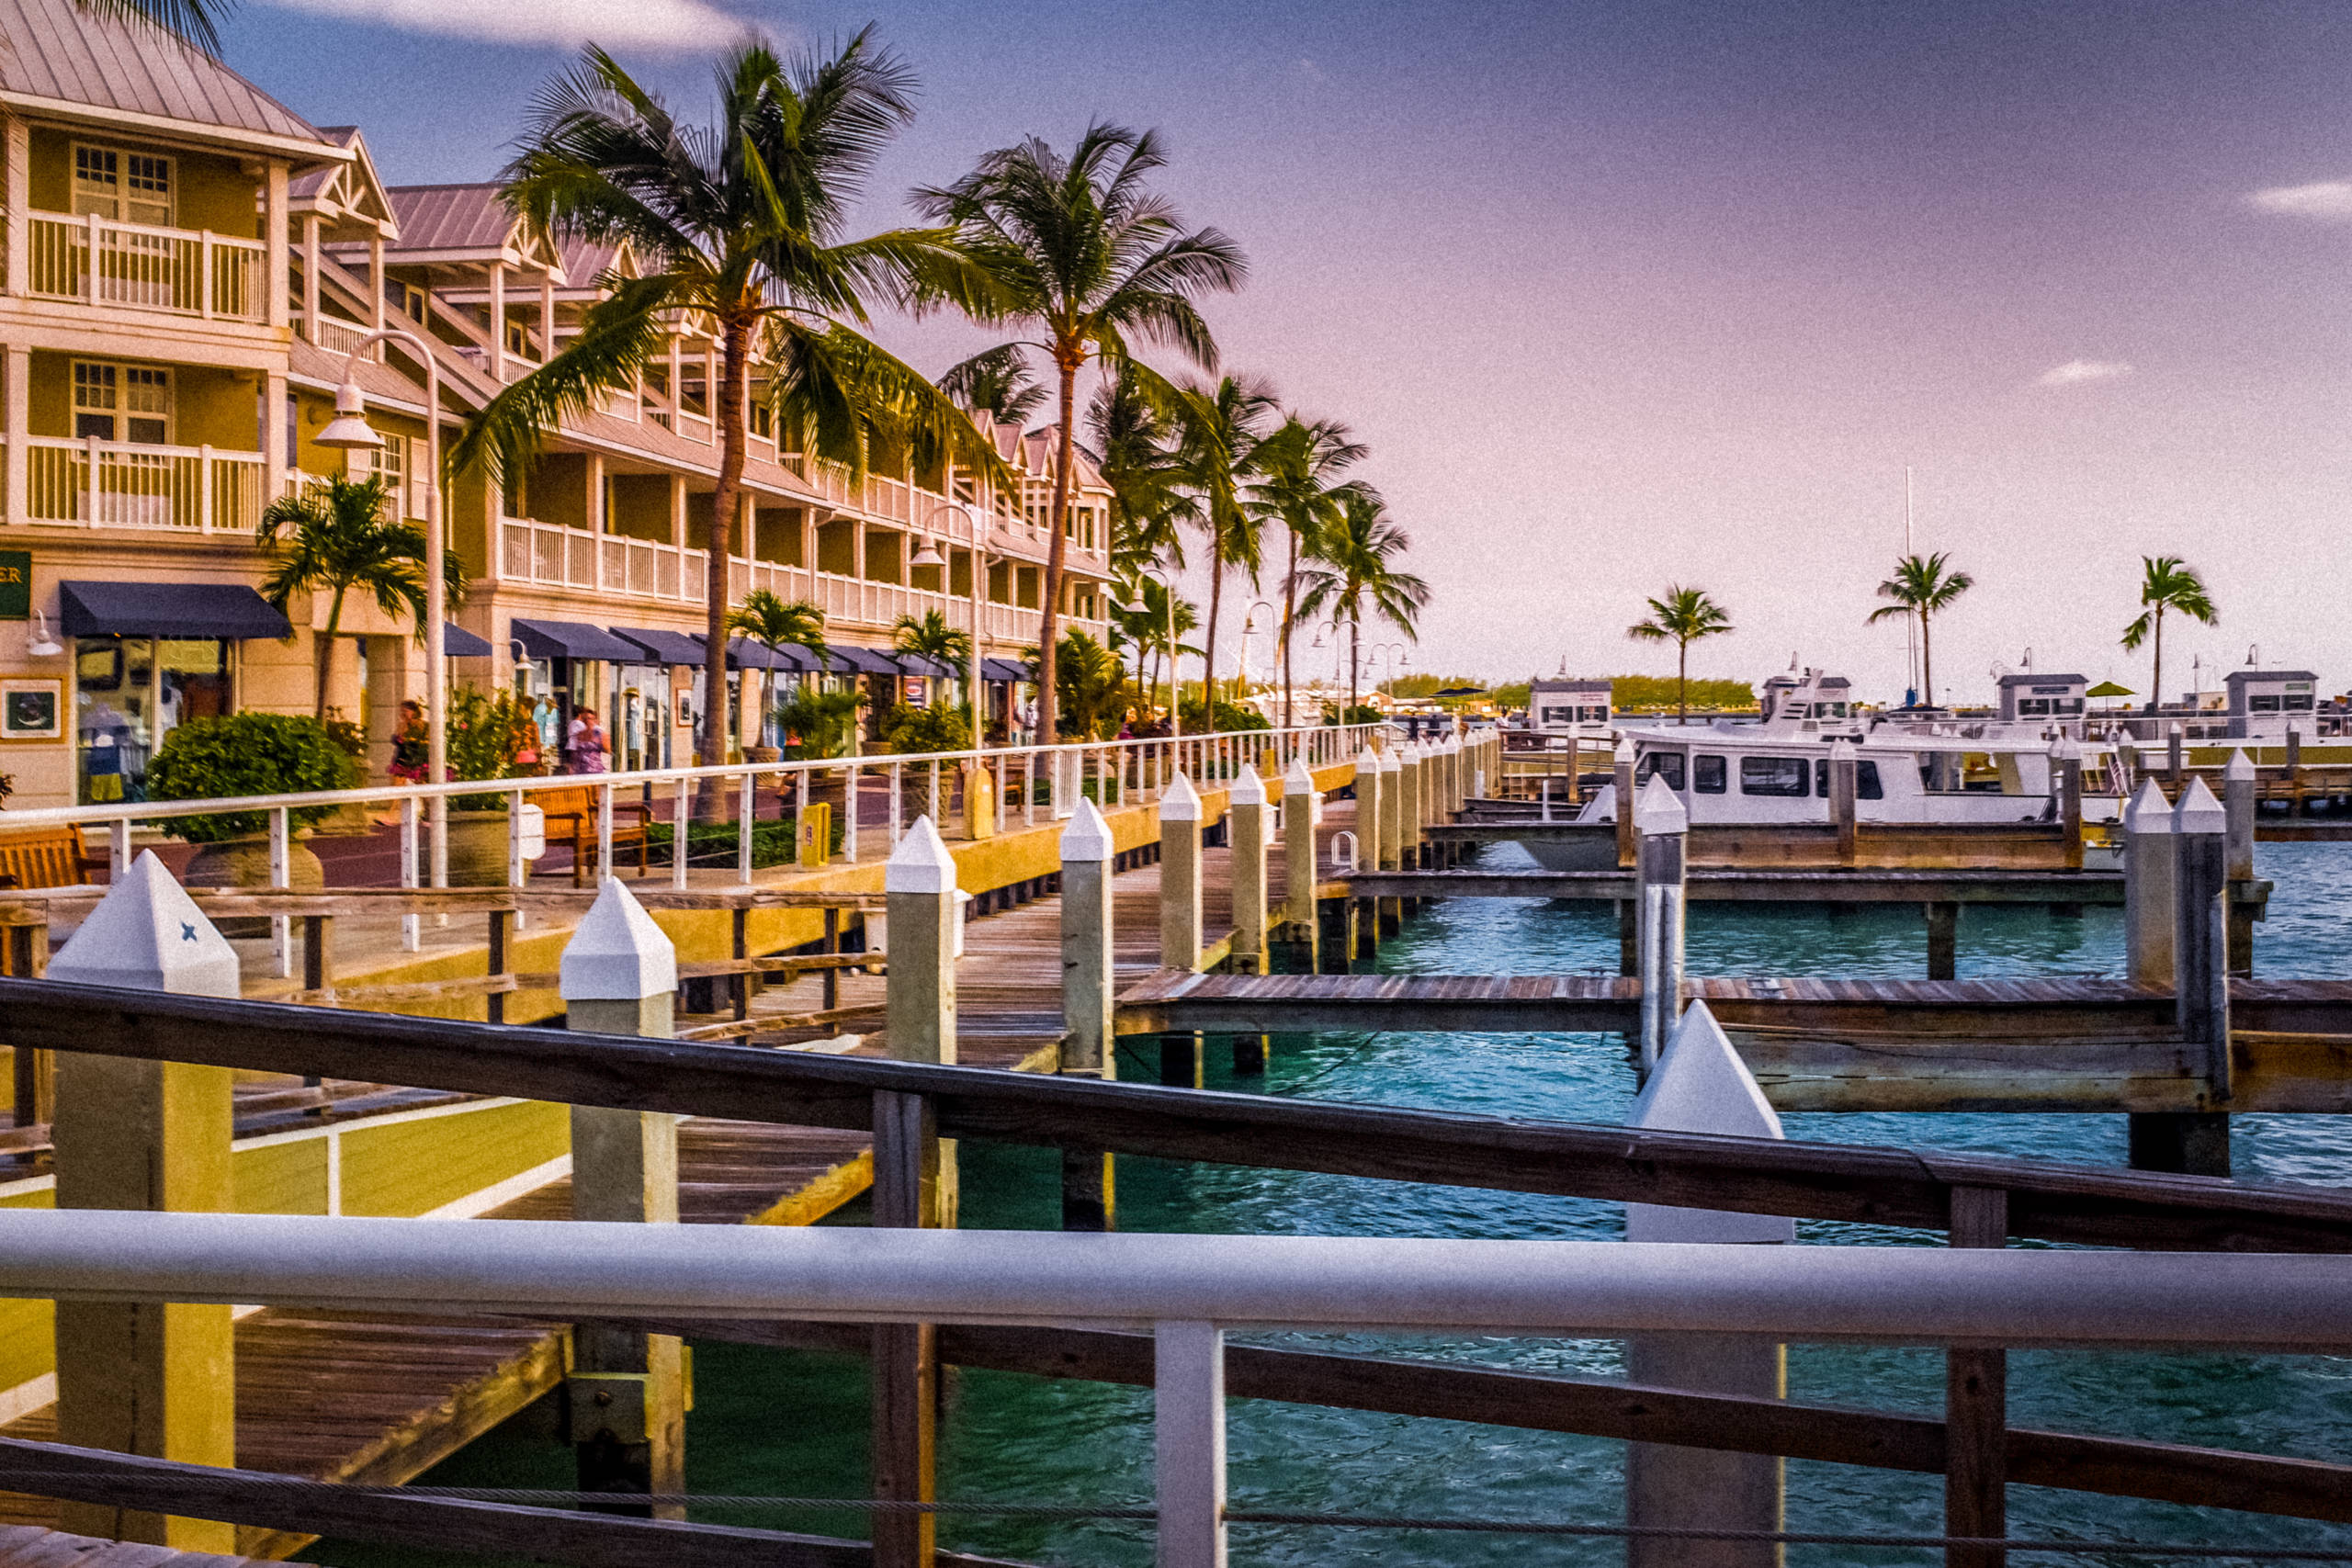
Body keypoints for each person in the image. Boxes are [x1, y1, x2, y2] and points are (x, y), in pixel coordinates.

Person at [388, 699, 429, 784]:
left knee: (423, 787)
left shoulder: (424, 726)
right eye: (401, 711)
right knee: (396, 785)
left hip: (419, 759)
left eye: (405, 711)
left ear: (414, 712)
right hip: (403, 759)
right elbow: (396, 742)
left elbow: (426, 744)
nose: (403, 714)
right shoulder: (402, 726)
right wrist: (402, 731)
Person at [567, 704, 608, 774]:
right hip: (581, 764)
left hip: (592, 767)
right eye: (586, 719)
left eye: (591, 719)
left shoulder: (597, 733)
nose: (588, 721)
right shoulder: (578, 726)